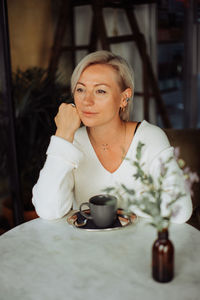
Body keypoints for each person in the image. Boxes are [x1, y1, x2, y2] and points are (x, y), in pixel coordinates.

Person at [32, 50, 192, 223]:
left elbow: (180, 211)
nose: (87, 100)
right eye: (80, 89)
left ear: (124, 98)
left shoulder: (149, 138)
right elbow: (48, 210)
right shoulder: (71, 141)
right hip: (85, 246)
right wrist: (62, 136)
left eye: (100, 91)